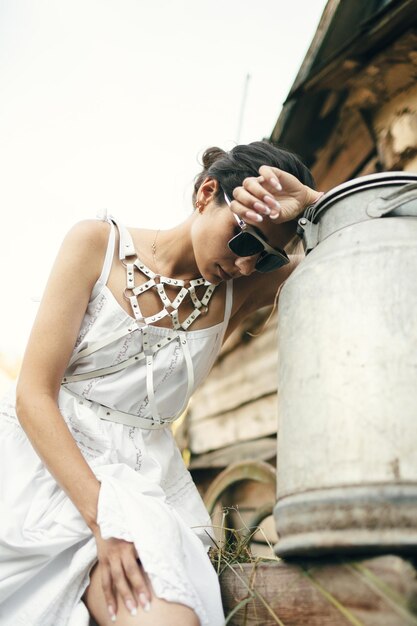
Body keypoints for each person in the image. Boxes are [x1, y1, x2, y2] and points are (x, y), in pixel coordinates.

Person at [0, 141, 322, 626]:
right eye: (246, 240)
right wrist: (105, 520)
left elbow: (381, 226)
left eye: (269, 258)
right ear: (206, 193)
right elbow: (33, 394)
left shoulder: (242, 288)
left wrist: (312, 201)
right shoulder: (97, 245)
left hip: (145, 487)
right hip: (44, 467)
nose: (247, 264)